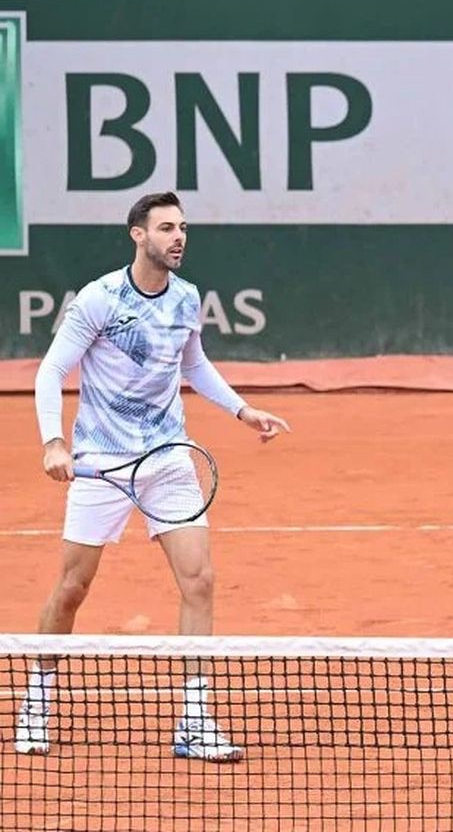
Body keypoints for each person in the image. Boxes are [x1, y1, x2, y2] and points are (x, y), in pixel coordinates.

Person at [15, 191, 291, 763]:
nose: (179, 236)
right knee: (72, 588)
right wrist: (53, 442)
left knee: (200, 581)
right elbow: (51, 370)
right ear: (138, 235)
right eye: (166, 228)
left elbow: (193, 365)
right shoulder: (99, 299)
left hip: (167, 458)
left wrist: (242, 409)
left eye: (183, 227)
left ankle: (194, 720)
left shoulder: (187, 299)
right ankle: (36, 703)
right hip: (102, 462)